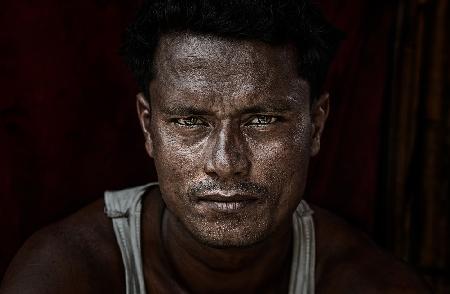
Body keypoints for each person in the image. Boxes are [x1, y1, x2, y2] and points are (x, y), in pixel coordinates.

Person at [1, 0, 431, 293]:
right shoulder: (65, 275)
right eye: (190, 121)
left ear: (315, 126)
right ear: (148, 127)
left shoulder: (368, 283)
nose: (225, 163)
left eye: (262, 120)